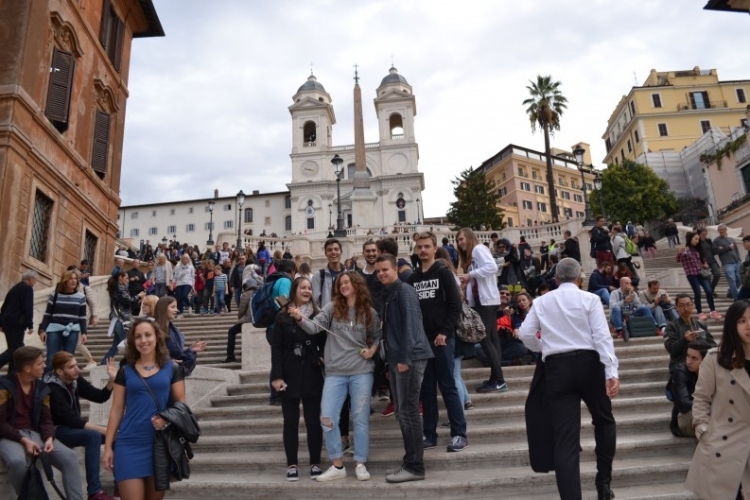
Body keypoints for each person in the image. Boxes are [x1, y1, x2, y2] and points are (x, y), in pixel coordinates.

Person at [519, 258, 619, 500]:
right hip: (589, 364)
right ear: (580, 277)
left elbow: (525, 334)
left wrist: (543, 347)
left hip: (557, 367)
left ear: (555, 279)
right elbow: (602, 336)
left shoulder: (541, 301)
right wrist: (611, 371)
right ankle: (603, 481)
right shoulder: (590, 299)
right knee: (605, 421)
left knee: (565, 440)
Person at [289, 271, 381, 482]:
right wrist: (300, 318)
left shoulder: (369, 312)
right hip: (335, 373)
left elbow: (377, 336)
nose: (343, 286)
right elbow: (314, 327)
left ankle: (360, 463)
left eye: (347, 282)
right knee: (327, 417)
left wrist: (372, 351)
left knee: (360, 418)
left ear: (357, 284)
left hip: (361, 370)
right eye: (340, 284)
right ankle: (337, 465)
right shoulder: (331, 308)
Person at [103, 318, 186, 500]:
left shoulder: (172, 368)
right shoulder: (125, 371)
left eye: (148, 335)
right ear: (133, 341)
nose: (143, 340)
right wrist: (108, 447)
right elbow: (116, 410)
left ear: (157, 337)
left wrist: (166, 418)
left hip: (159, 444)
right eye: (138, 336)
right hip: (128, 443)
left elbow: (181, 405)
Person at [375, 254, 433, 483]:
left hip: (410, 357)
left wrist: (405, 358)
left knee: (408, 412)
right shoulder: (389, 293)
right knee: (402, 412)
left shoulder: (405, 291)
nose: (381, 273)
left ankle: (415, 467)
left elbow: (411, 324)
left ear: (395, 269)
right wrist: (391, 361)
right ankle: (410, 462)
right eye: (378, 270)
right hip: (398, 358)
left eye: (385, 269)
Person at [408, 232, 468, 452]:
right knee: (426, 389)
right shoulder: (412, 279)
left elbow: (455, 305)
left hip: (442, 340)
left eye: (427, 246)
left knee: (447, 386)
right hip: (422, 342)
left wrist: (444, 332)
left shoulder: (443, 273)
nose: (423, 250)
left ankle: (459, 433)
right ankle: (429, 434)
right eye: (419, 247)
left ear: (435, 248)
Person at [685, 301, 750, 499]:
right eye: (742, 321)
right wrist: (703, 430)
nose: (749, 326)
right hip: (724, 446)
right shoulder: (716, 359)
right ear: (732, 324)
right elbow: (701, 398)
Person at [0, 346, 84, 500]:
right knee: (17, 461)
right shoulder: (4, 385)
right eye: (40, 363)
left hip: (35, 433)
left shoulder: (42, 387)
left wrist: (49, 438)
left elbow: (46, 419)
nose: (45, 366)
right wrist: (23, 440)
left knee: (70, 457)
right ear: (27, 368)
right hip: (8, 434)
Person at [269, 277, 325, 481]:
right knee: (290, 422)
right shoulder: (282, 316)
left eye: (310, 288)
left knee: (313, 422)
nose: (307, 291)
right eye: (303, 287)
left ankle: (315, 462)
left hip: (312, 373)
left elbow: (324, 342)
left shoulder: (318, 315)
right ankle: (291, 464)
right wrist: (277, 376)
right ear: (295, 290)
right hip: (289, 372)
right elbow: (276, 347)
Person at [46, 352, 117, 500]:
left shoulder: (75, 379)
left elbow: (99, 396)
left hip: (74, 428)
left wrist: (111, 380)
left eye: (76, 365)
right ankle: (95, 492)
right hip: (57, 431)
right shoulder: (51, 387)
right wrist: (104, 429)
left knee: (117, 437)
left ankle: (120, 485)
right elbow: (71, 419)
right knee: (93, 436)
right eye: (71, 367)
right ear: (59, 371)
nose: (77, 369)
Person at [455, 227, 508, 394]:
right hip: (484, 300)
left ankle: (499, 379)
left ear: (469, 237)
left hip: (486, 301)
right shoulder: (473, 255)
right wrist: (468, 282)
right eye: (457, 240)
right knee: (491, 339)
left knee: (484, 339)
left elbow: (492, 267)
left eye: (461, 239)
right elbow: (480, 276)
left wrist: (471, 275)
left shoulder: (478, 249)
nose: (459, 243)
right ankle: (496, 377)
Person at [39, 269, 88, 370]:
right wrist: (42, 330)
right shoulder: (55, 295)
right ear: (65, 281)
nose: (73, 281)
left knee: (69, 358)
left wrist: (84, 332)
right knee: (51, 358)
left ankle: (65, 379)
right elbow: (48, 314)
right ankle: (48, 378)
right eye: (70, 278)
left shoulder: (81, 297)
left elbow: (82, 317)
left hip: (72, 330)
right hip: (54, 329)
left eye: (75, 279)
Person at [154, 297, 207, 377]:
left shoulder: (174, 331)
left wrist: (191, 350)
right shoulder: (153, 331)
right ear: (163, 308)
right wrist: (168, 362)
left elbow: (178, 357)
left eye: (176, 307)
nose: (177, 310)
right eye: (173, 307)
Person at [663, 294, 717, 373]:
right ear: (677, 308)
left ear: (693, 306)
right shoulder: (671, 326)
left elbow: (713, 345)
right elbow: (671, 349)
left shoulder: (701, 325)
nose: (686, 308)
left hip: (702, 362)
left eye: (688, 305)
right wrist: (684, 340)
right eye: (682, 306)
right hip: (681, 363)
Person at [669, 340, 710, 438]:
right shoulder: (681, 372)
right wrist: (708, 407)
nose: (689, 361)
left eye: (694, 358)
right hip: (686, 416)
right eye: (688, 356)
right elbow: (683, 402)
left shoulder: (712, 373)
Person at [677, 231, 722, 321]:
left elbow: (702, 258)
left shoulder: (697, 248)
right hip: (691, 274)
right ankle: (700, 313)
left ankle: (713, 311)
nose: (697, 241)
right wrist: (680, 252)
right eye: (695, 239)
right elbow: (678, 259)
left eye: (698, 239)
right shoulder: (685, 248)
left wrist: (705, 263)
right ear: (690, 239)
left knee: (709, 291)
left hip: (701, 273)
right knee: (697, 293)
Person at [102, 271, 145, 364]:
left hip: (120, 319)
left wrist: (137, 300)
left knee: (116, 346)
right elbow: (129, 300)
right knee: (128, 343)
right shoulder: (120, 288)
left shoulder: (120, 288)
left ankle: (103, 364)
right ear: (120, 278)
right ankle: (130, 364)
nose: (128, 280)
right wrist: (139, 296)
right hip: (121, 320)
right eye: (126, 278)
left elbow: (128, 306)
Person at [0, 270, 37, 373]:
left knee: (16, 349)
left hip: (7, 321)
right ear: (31, 279)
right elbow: (28, 307)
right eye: (35, 280)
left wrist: (1, 323)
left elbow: (4, 306)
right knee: (17, 349)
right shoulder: (27, 289)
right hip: (16, 323)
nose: (35, 282)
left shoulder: (15, 288)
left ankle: (12, 375)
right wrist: (30, 325)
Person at [222, 273, 262, 364]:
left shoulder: (246, 294)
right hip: (258, 319)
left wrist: (239, 319)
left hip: (248, 319)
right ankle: (244, 350)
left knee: (231, 331)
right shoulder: (260, 293)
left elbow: (242, 309)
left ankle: (230, 356)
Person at [312, 238, 345, 307]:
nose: (333, 252)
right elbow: (315, 302)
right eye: (329, 250)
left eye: (336, 249)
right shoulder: (318, 276)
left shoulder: (350, 275)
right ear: (325, 253)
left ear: (341, 252)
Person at [713, 223, 742, 300]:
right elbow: (715, 251)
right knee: (732, 280)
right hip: (727, 263)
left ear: (726, 230)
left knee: (739, 279)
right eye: (720, 230)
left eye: (723, 229)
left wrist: (739, 259)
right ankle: (736, 297)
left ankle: (730, 290)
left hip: (736, 261)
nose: (721, 231)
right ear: (718, 231)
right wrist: (727, 248)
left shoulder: (731, 239)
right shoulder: (716, 240)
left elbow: (736, 249)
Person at [697, 228, 721, 296]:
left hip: (712, 260)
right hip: (704, 262)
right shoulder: (697, 243)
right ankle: (710, 292)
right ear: (699, 234)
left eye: (705, 234)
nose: (704, 235)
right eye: (703, 234)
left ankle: (711, 289)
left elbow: (713, 250)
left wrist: (718, 248)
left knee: (717, 274)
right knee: (708, 277)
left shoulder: (708, 240)